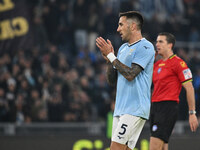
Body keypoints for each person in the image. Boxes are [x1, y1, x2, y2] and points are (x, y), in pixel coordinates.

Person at [96, 11, 155, 150]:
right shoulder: (122, 49)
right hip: (120, 109)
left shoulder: (145, 47)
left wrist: (111, 56)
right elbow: (112, 80)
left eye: (121, 24)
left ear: (133, 26)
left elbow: (130, 74)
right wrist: (109, 61)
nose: (118, 29)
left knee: (115, 148)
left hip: (135, 108)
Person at [149, 32, 199, 150]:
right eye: (156, 41)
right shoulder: (157, 64)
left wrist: (192, 113)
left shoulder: (178, 63)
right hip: (155, 107)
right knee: (163, 146)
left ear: (170, 45)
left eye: (161, 42)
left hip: (167, 107)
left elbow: (189, 88)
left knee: (155, 146)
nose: (157, 44)